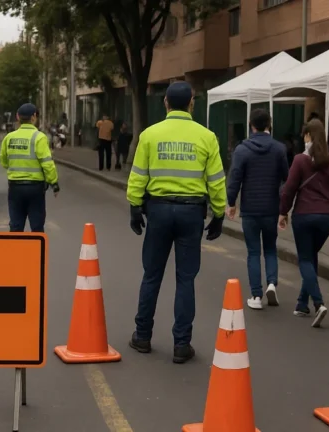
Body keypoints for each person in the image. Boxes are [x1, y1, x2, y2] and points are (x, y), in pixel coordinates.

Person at [127, 81, 227, 364]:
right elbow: (217, 182)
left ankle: (142, 336)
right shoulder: (207, 137)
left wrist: (135, 206)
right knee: (186, 279)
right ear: (192, 104)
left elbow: (138, 175)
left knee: (152, 275)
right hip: (191, 213)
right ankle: (182, 344)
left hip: (157, 211)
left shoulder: (150, 135)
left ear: (166, 103)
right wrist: (219, 214)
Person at [279, 119, 329, 328]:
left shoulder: (300, 160)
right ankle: (302, 303)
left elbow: (289, 188)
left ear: (308, 136)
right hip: (326, 217)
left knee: (305, 260)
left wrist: (283, 212)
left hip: (304, 216)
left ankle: (318, 303)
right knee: (311, 256)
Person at [226, 108, 289, 310]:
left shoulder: (242, 149)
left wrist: (231, 203)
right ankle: (271, 283)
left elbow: (235, 177)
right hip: (271, 207)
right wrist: (284, 208)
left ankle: (256, 295)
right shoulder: (279, 149)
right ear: (269, 124)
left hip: (250, 208)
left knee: (253, 252)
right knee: (270, 249)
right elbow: (287, 178)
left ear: (251, 125)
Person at [0, 103, 59, 233]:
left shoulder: (9, 137)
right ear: (34, 117)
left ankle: (16, 252)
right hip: (35, 188)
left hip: (15, 188)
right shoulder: (39, 137)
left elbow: (3, 160)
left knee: (15, 226)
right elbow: (47, 163)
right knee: (37, 226)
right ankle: (36, 252)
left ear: (17, 117)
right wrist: (54, 183)